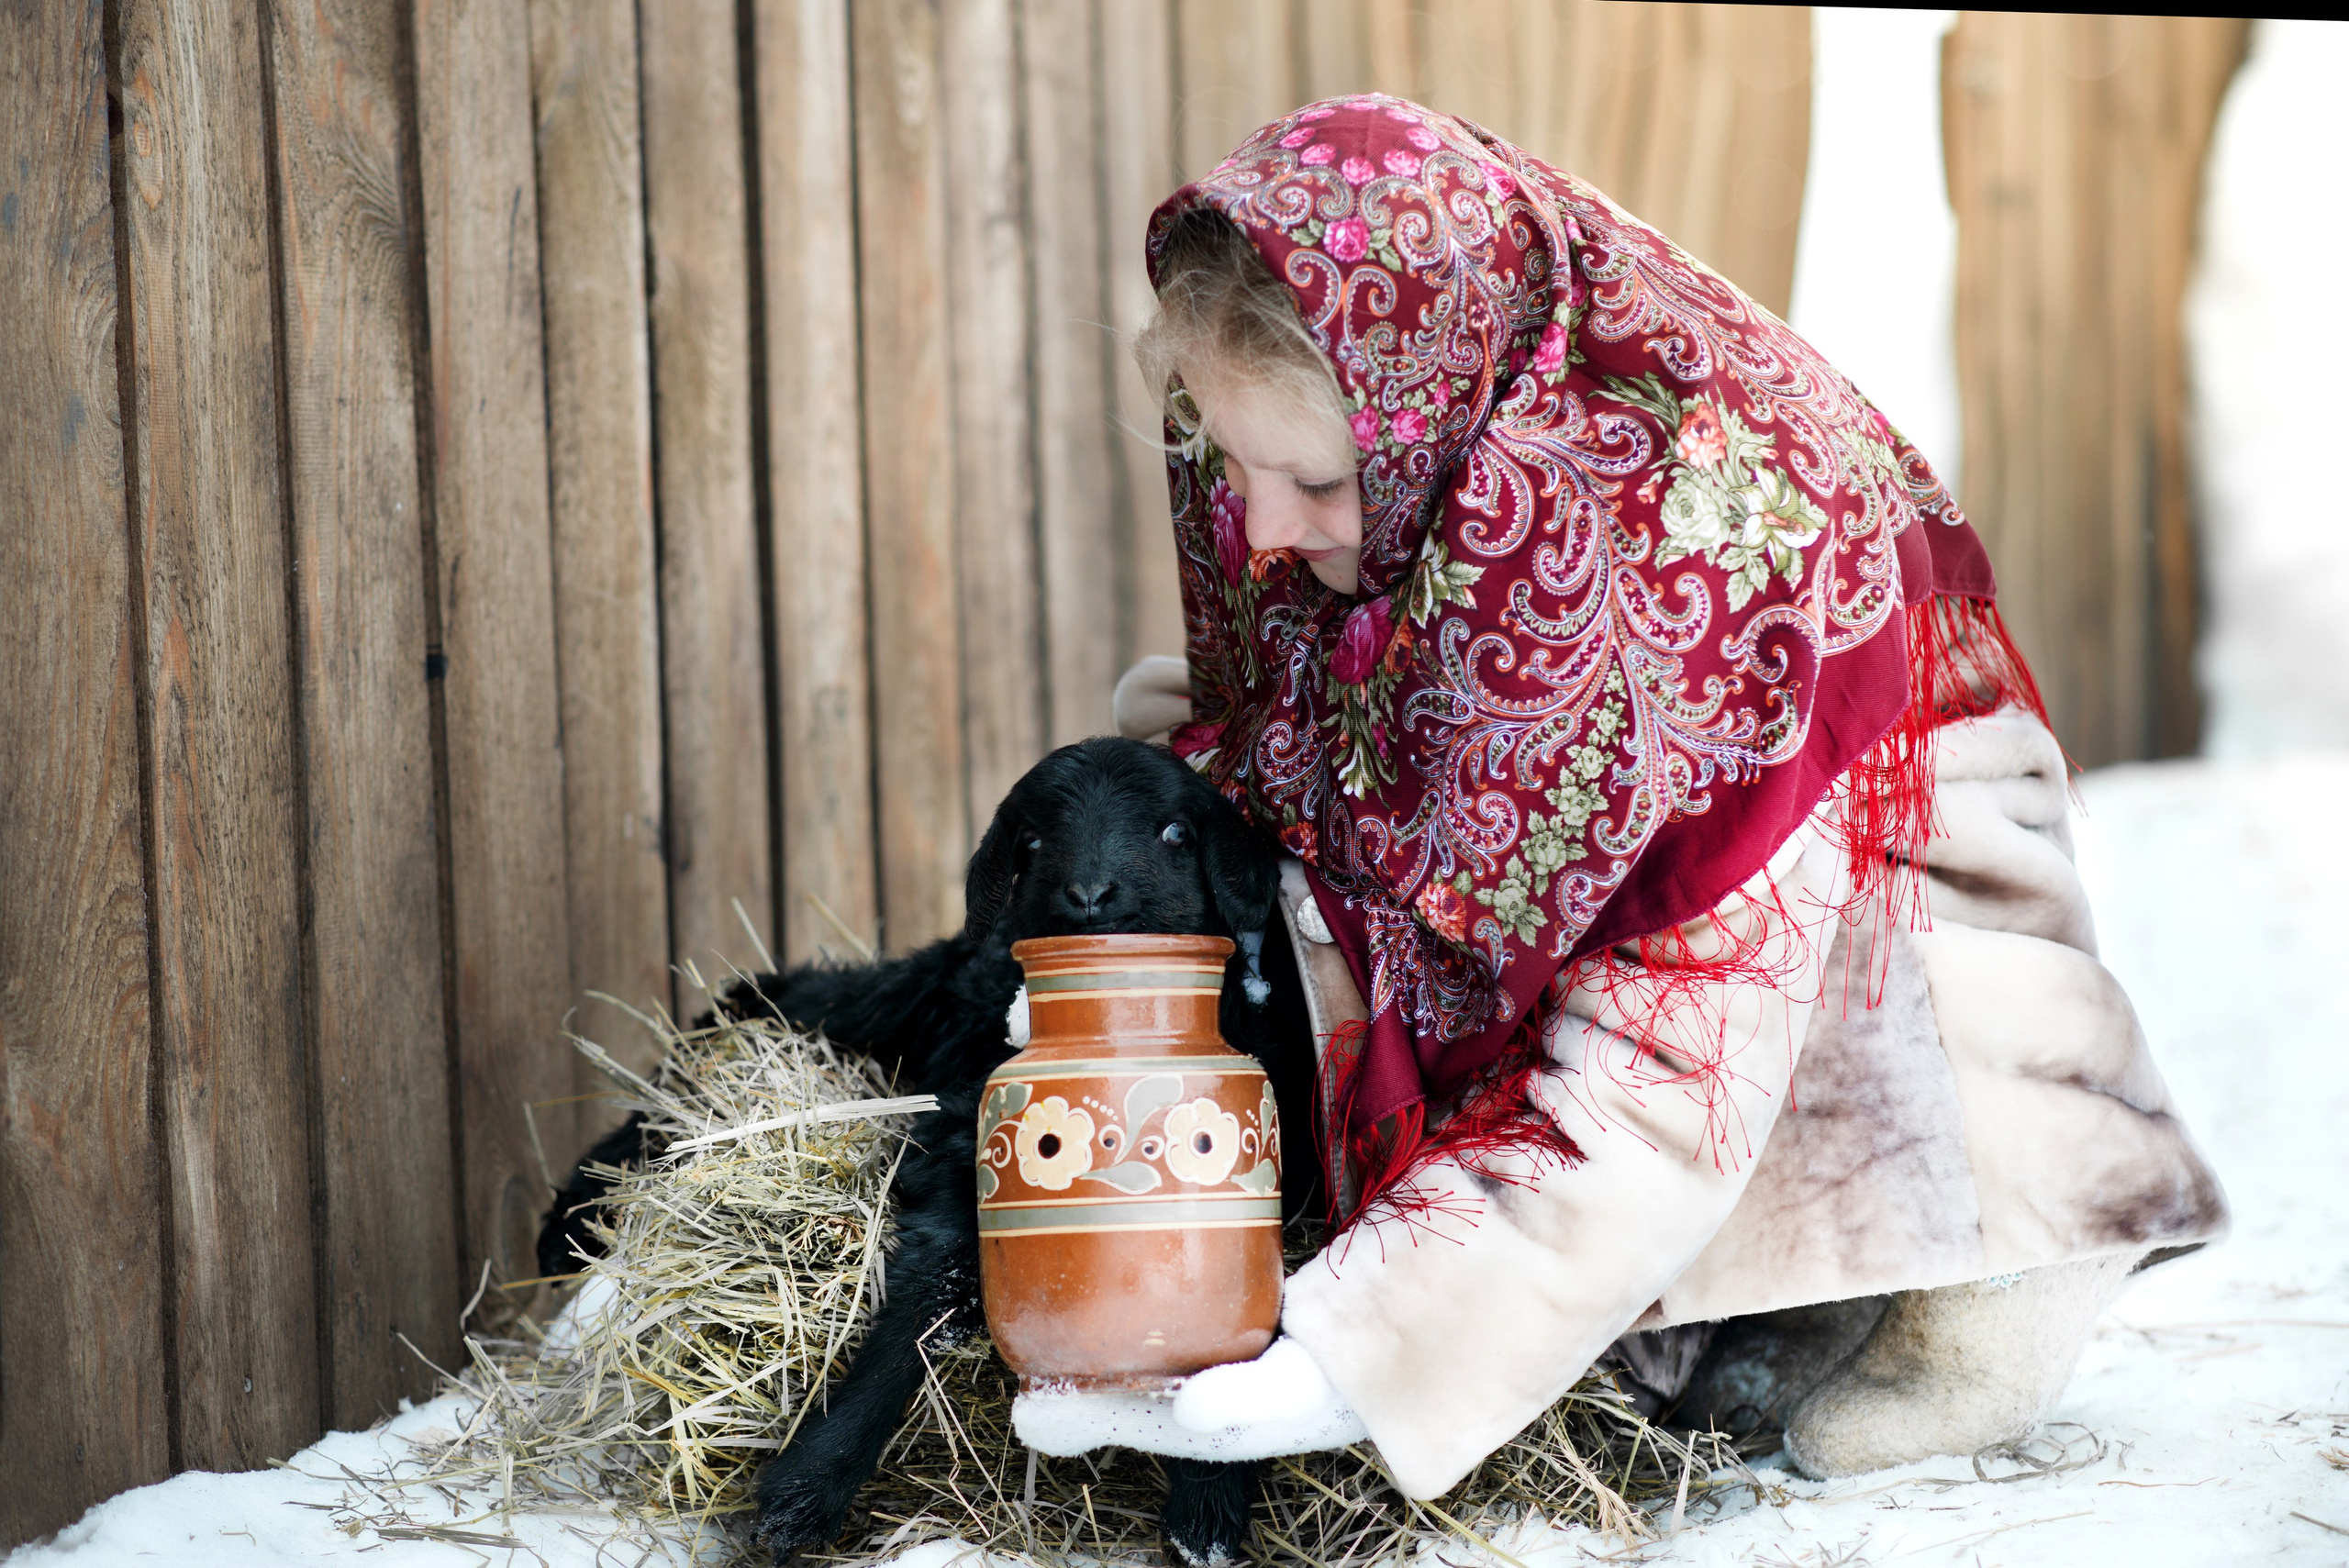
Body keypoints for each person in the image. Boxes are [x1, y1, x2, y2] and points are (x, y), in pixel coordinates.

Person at [1023, 95, 2227, 1500]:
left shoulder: (1685, 593)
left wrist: (1363, 1350)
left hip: (1858, 917)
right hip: (1707, 945)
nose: (1266, 528)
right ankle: (1766, 1300)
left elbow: (1668, 1065)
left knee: (1745, 973)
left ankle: (2015, 1242)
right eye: (1233, 466)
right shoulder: (1457, 436)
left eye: (1313, 480)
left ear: (1427, 414)